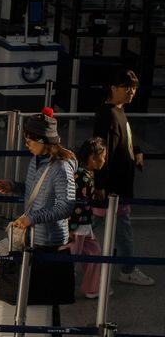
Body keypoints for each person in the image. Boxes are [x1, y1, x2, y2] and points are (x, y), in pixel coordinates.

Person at [0, 107, 76, 335]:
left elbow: (66, 206)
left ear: (43, 140)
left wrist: (33, 218)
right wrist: (13, 187)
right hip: (32, 237)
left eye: (29, 139)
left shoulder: (61, 168)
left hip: (48, 240)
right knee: (37, 294)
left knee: (47, 296)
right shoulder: (36, 161)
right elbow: (33, 192)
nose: (26, 143)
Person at [92, 69, 154, 286]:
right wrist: (100, 184)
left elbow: (121, 140)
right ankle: (127, 269)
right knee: (94, 226)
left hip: (118, 185)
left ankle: (65, 260)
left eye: (134, 87)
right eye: (127, 87)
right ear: (113, 88)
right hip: (112, 187)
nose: (132, 92)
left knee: (89, 226)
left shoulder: (118, 111)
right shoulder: (107, 114)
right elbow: (102, 151)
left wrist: (135, 149)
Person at [69, 137, 106, 299]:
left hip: (84, 226)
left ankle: (92, 288)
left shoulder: (84, 174)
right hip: (76, 228)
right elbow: (76, 207)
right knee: (70, 260)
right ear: (92, 158)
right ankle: (64, 289)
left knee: (95, 254)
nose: (105, 160)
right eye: (103, 157)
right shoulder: (83, 178)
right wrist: (69, 229)